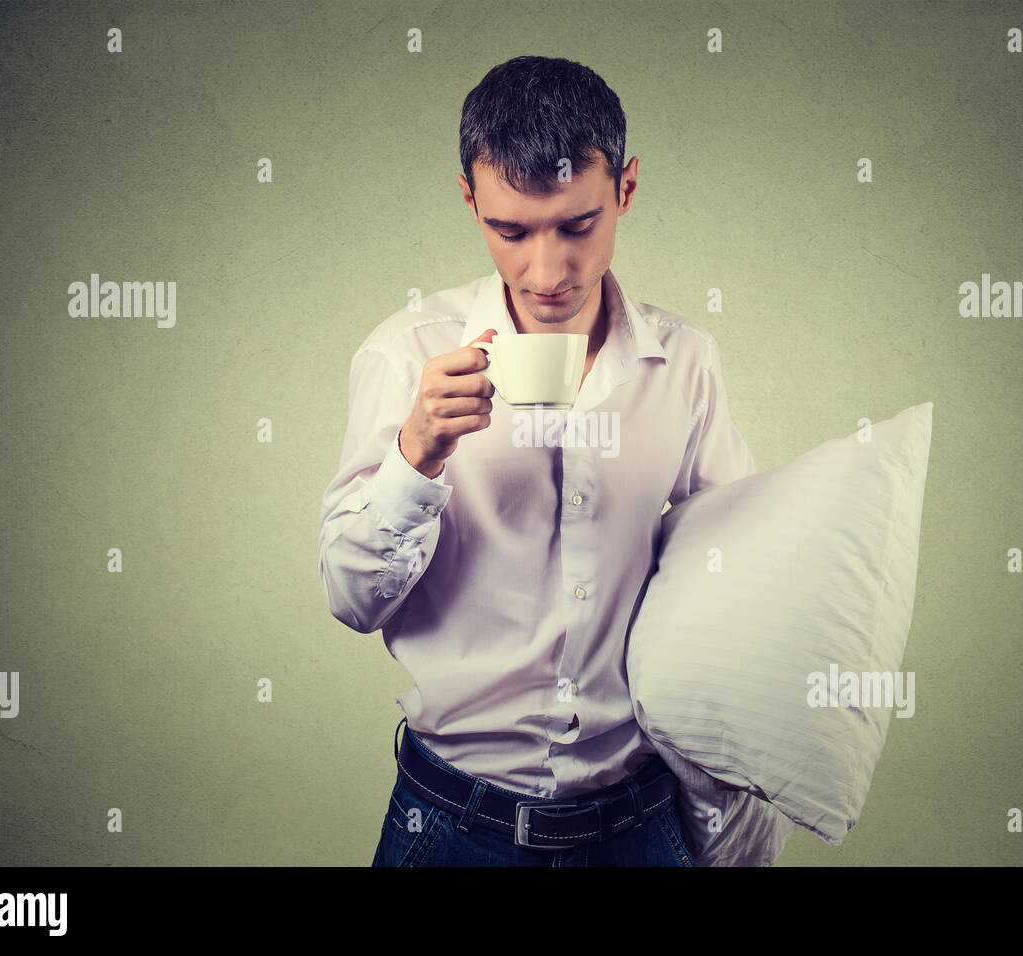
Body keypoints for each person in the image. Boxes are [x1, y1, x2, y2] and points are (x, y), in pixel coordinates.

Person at [317, 55, 755, 866]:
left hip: (636, 824)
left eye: (577, 226)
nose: (546, 272)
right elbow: (351, 599)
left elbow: (730, 588)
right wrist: (419, 456)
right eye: (510, 231)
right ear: (469, 199)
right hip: (448, 825)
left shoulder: (686, 362)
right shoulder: (405, 352)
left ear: (625, 189)